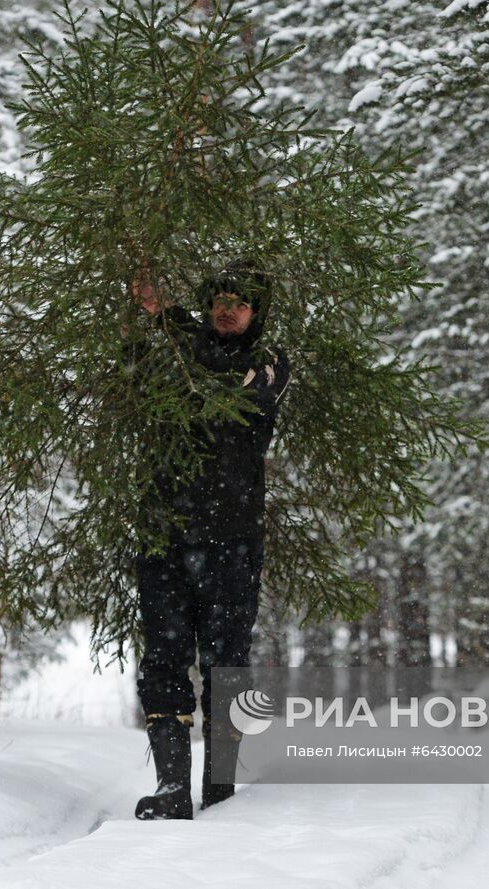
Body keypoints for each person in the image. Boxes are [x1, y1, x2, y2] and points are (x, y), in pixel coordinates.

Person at [126, 259, 290, 820]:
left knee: (226, 663)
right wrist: (150, 313)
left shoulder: (267, 365)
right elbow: (141, 372)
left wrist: (165, 317)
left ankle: (219, 786)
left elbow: (209, 384)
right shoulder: (173, 350)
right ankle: (173, 790)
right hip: (164, 534)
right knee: (164, 660)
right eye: (219, 299)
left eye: (240, 303)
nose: (228, 309)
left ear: (256, 314)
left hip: (232, 538)